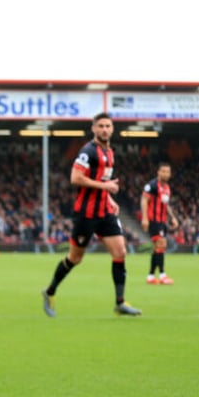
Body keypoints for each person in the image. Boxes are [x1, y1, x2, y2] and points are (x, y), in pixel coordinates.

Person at [41, 113, 141, 317]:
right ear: (94, 129)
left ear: (112, 129)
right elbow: (75, 178)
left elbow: (102, 180)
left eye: (108, 126)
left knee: (120, 252)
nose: (105, 129)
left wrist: (109, 198)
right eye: (101, 126)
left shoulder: (110, 152)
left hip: (104, 212)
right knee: (75, 258)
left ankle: (120, 303)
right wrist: (105, 186)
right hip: (85, 214)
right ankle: (49, 291)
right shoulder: (88, 151)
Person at [140, 161, 179, 285]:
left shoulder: (166, 188)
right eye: (163, 171)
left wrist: (172, 217)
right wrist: (145, 218)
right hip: (154, 220)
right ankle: (162, 275)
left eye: (168, 172)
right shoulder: (152, 185)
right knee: (161, 244)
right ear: (158, 172)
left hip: (162, 220)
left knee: (159, 247)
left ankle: (151, 276)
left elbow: (165, 204)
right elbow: (144, 200)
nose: (166, 174)